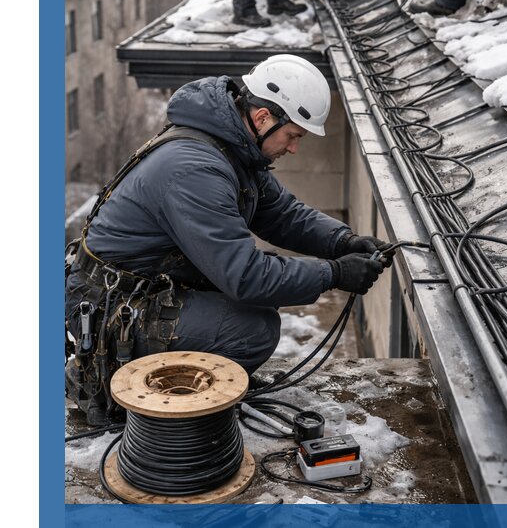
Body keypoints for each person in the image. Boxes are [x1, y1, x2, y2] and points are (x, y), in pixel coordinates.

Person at [65, 54, 390, 425]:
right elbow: (246, 277)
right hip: (113, 306)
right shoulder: (194, 168)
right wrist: (334, 275)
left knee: (254, 314)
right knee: (251, 331)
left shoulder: (232, 147)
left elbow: (281, 213)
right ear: (264, 117)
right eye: (293, 136)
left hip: (144, 286)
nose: (294, 148)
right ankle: (113, 385)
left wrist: (343, 241)